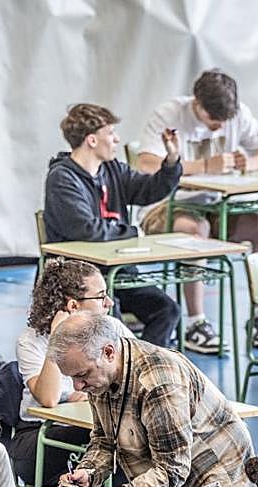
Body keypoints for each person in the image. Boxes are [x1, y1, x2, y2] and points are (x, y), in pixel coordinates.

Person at [50, 313, 252, 487]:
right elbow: (104, 440)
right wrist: (87, 473)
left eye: (82, 375)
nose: (78, 386)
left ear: (109, 352)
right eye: (71, 378)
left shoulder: (159, 381)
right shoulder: (102, 376)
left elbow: (173, 469)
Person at [11, 257, 136, 487]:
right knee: (96, 465)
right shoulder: (32, 341)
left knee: (110, 463)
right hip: (38, 443)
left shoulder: (112, 331)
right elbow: (49, 398)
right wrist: (60, 337)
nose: (109, 303)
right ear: (71, 305)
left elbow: (124, 387)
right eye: (100, 295)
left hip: (90, 440)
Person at [136, 69, 258, 352]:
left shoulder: (240, 114)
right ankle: (196, 322)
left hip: (216, 205)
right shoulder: (169, 114)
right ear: (196, 103)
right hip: (167, 205)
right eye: (211, 120)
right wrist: (204, 167)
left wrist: (247, 164)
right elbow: (146, 164)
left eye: (223, 122)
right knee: (194, 231)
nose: (218, 127)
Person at [43, 103, 182, 349]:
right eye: (110, 133)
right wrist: (132, 232)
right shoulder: (62, 178)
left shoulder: (112, 170)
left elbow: (149, 189)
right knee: (109, 312)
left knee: (167, 309)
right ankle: (119, 373)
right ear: (92, 140)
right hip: (81, 283)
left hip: (117, 274)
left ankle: (141, 367)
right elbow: (86, 228)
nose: (117, 139)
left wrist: (171, 161)